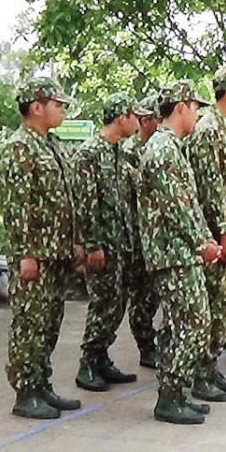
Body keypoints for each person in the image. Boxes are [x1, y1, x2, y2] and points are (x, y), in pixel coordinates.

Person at [0, 76, 84, 420]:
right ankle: (25, 391)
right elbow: (17, 208)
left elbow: (66, 201)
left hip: (57, 253)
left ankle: (41, 384)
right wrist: (25, 255)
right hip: (36, 255)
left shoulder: (52, 145)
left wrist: (75, 242)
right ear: (37, 107)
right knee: (29, 324)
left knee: (49, 323)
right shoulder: (19, 148)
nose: (62, 110)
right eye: (57, 104)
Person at [138, 80, 222, 424]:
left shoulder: (172, 146)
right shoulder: (162, 150)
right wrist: (201, 242)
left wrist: (202, 239)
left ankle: (175, 391)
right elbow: (176, 206)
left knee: (185, 324)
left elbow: (188, 203)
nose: (199, 113)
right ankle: (169, 396)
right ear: (182, 107)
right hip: (172, 253)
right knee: (192, 323)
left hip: (179, 251)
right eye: (196, 107)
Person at [181, 63, 226, 402]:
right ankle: (201, 372)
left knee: (225, 307)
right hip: (214, 233)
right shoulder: (209, 129)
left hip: (224, 229)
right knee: (215, 306)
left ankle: (210, 369)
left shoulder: (223, 128)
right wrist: (224, 235)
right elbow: (212, 189)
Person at [73, 92, 140, 393]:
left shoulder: (118, 154)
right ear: (121, 117)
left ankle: (101, 357)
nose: (137, 122)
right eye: (133, 116)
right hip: (102, 245)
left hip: (120, 244)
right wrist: (93, 245)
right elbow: (85, 203)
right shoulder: (89, 152)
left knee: (116, 304)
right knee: (102, 304)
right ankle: (87, 362)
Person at [124, 95, 163, 369]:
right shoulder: (130, 151)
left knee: (152, 295)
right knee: (141, 297)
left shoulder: (160, 147)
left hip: (157, 236)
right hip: (138, 235)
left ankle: (151, 343)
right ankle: (145, 346)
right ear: (147, 121)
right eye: (157, 119)